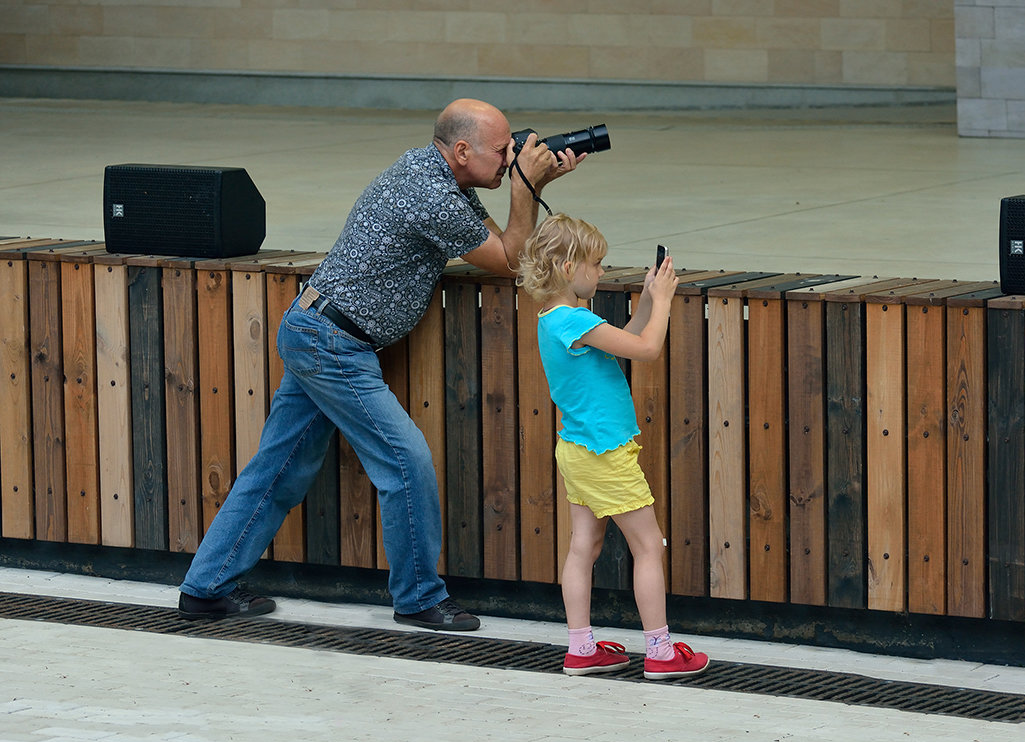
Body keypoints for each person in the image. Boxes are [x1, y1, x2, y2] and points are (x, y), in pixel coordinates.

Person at [178, 98, 584, 629]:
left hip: (317, 331)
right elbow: (512, 259)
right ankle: (418, 598)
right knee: (405, 461)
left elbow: (501, 245)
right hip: (333, 342)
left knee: (279, 468)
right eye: (502, 149)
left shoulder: (434, 175)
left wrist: (531, 185)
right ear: (462, 151)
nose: (511, 156)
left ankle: (206, 587)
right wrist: (525, 188)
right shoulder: (430, 193)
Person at [516, 213, 710, 679]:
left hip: (579, 449)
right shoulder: (574, 320)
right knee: (648, 546)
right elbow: (647, 349)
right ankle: (660, 652)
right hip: (605, 452)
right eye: (596, 264)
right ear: (568, 268)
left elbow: (630, 336)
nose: (601, 273)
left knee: (584, 544)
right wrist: (663, 301)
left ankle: (581, 647)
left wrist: (647, 299)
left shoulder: (557, 319)